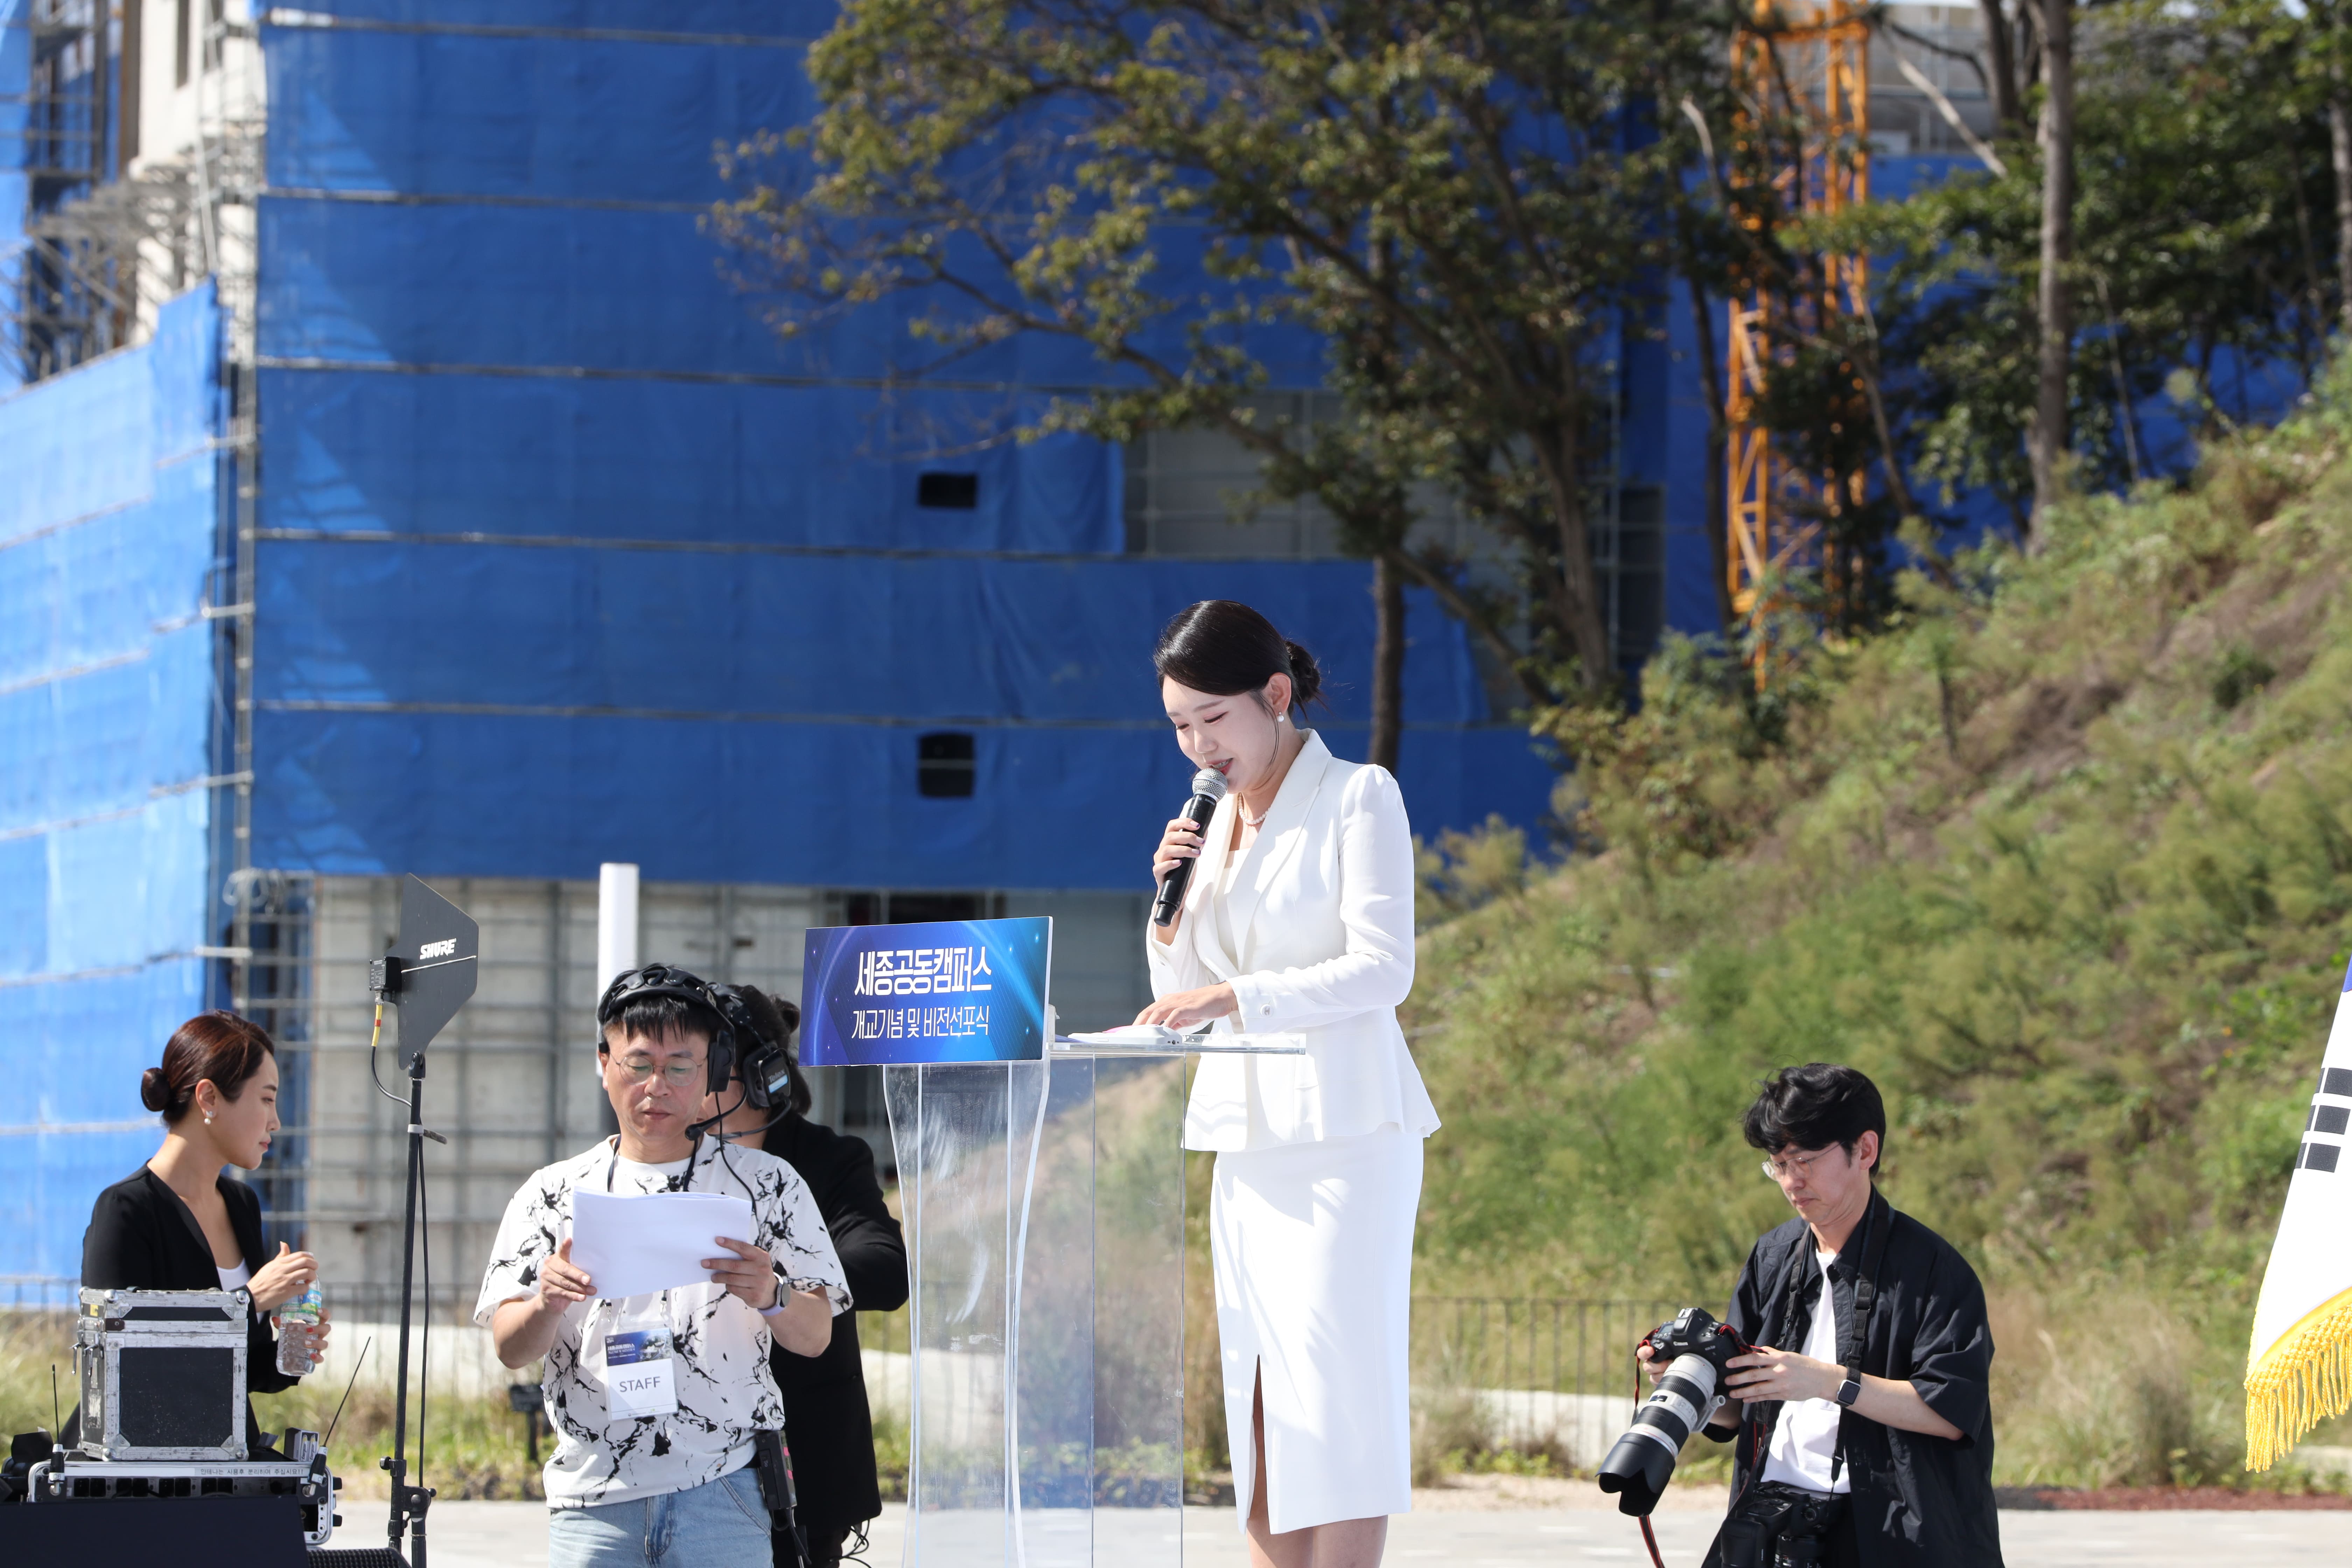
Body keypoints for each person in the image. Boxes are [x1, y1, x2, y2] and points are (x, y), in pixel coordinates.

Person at [1136, 600, 1437, 1568]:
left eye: (1213, 719)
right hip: (1249, 1145)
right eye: (1181, 725)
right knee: (1259, 1389)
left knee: (1336, 1395)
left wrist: (1240, 992)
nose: (1197, 745)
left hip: (1347, 1134)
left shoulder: (1360, 797)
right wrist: (1169, 916)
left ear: (1276, 695)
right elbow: (1183, 998)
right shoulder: (1212, 825)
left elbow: (1385, 969)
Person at [476, 965, 848, 1568]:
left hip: (724, 1494)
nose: (658, 1087)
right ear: (604, 1064)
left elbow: (816, 1336)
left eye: (680, 1068)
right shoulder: (552, 1193)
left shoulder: (766, 1185)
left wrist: (772, 1293)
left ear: (713, 1073)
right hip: (592, 1500)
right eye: (640, 1065)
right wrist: (546, 1302)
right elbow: (511, 1349)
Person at [1639, 1064, 2002, 1568]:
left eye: (1806, 1160)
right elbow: (1736, 1412)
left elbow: (1950, 1413)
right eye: (1778, 1164)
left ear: (1866, 1150)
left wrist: (1830, 1382)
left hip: (1891, 1533)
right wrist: (1687, 1379)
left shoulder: (1934, 1269)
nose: (1792, 1181)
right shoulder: (1772, 1255)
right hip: (1771, 1522)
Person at [702, 984, 908, 1568]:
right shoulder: (670, 1157)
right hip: (688, 1451)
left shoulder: (829, 1159)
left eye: (697, 1061)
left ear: (755, 1071)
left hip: (801, 1449)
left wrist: (781, 1280)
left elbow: (886, 1270)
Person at [77, 1011, 331, 1456]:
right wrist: (249, 1300)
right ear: (209, 1097)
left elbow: (240, 1373)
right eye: (267, 1100)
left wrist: (290, 1351)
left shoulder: (241, 1204)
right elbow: (127, 1369)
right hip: (140, 1475)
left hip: (222, 1461)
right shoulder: (126, 1210)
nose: (276, 1122)